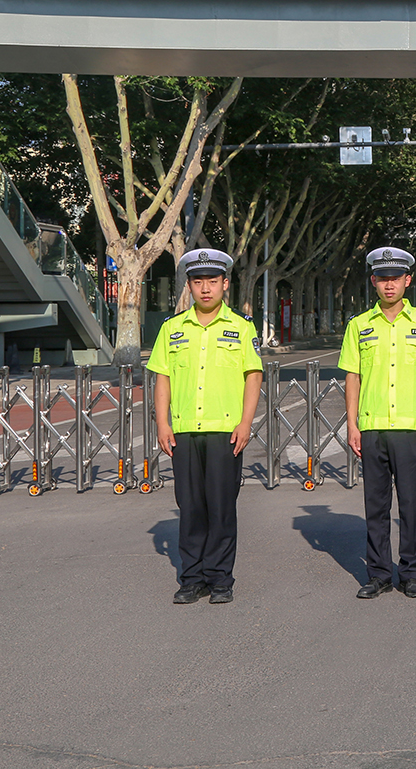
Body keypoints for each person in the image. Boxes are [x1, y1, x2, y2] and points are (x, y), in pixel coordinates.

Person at [146, 248, 264, 605]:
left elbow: (253, 375)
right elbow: (163, 378)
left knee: (222, 507)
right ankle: (192, 578)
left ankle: (220, 578)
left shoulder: (241, 327)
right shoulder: (172, 329)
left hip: (225, 431)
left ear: (225, 284)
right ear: (189, 286)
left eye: (213, 281)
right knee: (190, 506)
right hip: (184, 430)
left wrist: (246, 423)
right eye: (198, 282)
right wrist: (162, 423)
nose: (206, 288)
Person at [339, 246, 416, 600]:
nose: (389, 285)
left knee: (411, 505)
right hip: (372, 428)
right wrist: (352, 425)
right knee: (375, 506)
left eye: (396, 279)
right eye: (383, 279)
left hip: (411, 429)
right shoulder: (359, 325)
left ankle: (411, 573)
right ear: (373, 281)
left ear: (407, 280)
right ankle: (379, 574)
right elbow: (352, 377)